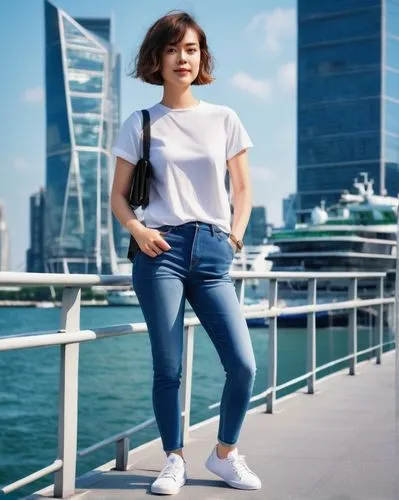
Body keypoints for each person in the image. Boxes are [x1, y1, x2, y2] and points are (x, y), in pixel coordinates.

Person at [111, 11, 261, 496]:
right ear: (158, 57)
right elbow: (117, 196)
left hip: (214, 254)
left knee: (243, 365)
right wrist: (136, 228)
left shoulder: (224, 119)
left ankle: (224, 455)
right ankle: (172, 458)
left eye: (192, 49)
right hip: (161, 252)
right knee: (168, 366)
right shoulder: (140, 122)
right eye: (174, 49)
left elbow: (242, 190)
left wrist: (234, 238)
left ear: (202, 57)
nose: (183, 58)